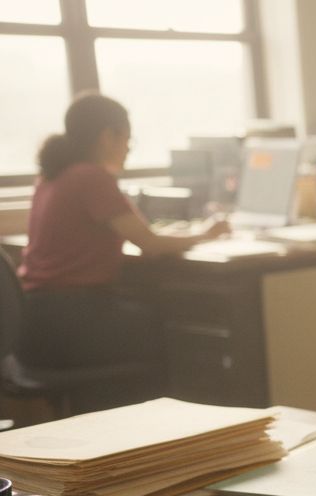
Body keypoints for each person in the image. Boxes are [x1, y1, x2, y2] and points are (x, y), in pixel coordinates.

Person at [17, 92, 228, 378]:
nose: (129, 149)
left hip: (36, 320)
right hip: (70, 320)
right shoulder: (91, 177)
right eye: (128, 139)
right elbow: (150, 244)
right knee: (176, 323)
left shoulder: (52, 176)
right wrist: (206, 233)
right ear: (108, 137)